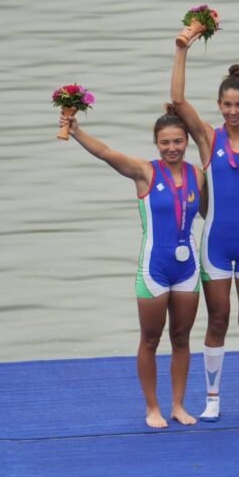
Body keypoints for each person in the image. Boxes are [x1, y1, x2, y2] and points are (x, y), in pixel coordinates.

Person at [60, 105, 202, 428]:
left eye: (178, 141)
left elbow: (213, 211)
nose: (172, 148)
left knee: (181, 338)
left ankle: (178, 405)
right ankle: (153, 407)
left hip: (188, 269)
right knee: (150, 339)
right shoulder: (144, 172)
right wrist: (77, 130)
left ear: (187, 142)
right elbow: (108, 153)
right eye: (165, 142)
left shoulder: (199, 175)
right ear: (156, 143)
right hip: (154, 269)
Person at [169, 37, 239, 422]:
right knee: (217, 320)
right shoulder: (208, 138)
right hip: (214, 242)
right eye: (227, 105)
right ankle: (212, 398)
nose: (233, 111)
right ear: (220, 106)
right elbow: (179, 101)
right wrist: (182, 48)